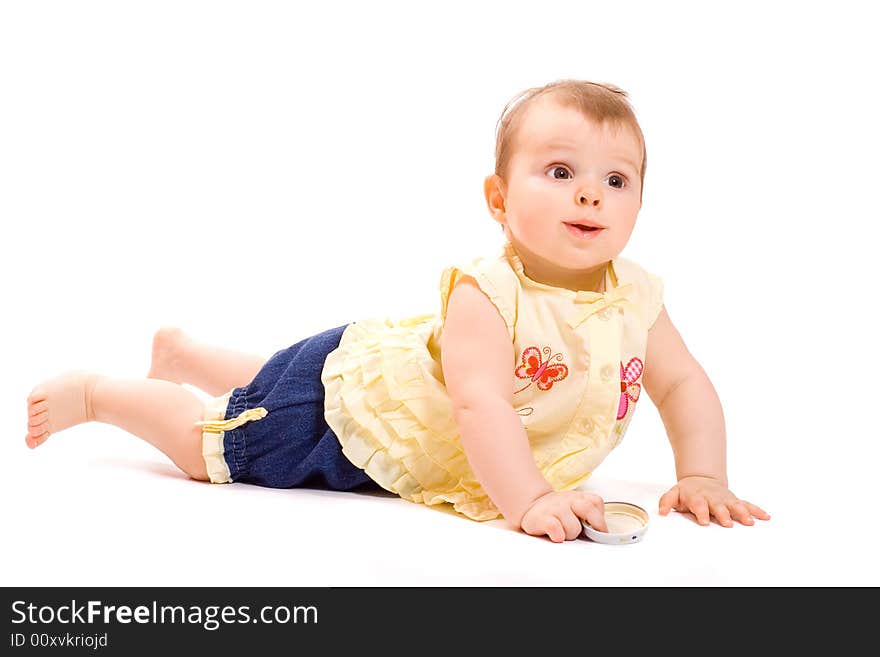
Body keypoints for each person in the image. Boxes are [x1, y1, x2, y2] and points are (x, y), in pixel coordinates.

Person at [24, 79, 770, 543]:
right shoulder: (488, 292)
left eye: (617, 178)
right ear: (500, 201)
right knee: (216, 444)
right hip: (354, 422)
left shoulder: (635, 295)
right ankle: (100, 392)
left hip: (384, 393)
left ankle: (184, 351)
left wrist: (703, 472)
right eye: (561, 170)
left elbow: (681, 384)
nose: (591, 193)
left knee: (278, 384)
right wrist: (530, 497)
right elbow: (479, 405)